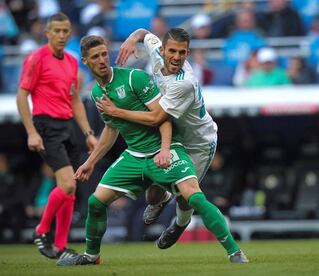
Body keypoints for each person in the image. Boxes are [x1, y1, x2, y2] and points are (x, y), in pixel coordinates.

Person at [56, 35, 248, 265]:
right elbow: (111, 128)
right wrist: (91, 161)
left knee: (193, 197)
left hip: (171, 147)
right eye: (95, 56)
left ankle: (234, 252)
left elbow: (162, 118)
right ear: (85, 61)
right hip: (134, 155)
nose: (102, 60)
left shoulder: (135, 78)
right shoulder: (98, 94)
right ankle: (91, 256)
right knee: (96, 202)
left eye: (104, 54)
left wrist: (165, 149)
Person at [101, 27, 225, 252]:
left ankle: (179, 225)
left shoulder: (183, 82)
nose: (176, 57)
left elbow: (157, 117)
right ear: (163, 49)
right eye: (173, 51)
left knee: (187, 194)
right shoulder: (156, 51)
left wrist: (117, 112)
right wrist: (131, 40)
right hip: (176, 135)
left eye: (182, 52)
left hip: (199, 142)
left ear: (187, 53)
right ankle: (160, 201)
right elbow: (142, 32)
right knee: (152, 195)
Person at [16, 12, 98, 259]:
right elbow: (22, 96)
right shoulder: (36, 59)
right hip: (45, 125)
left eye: (66, 31)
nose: (62, 35)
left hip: (67, 126)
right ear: (47, 33)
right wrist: (31, 132)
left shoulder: (72, 62)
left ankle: (61, 247)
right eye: (57, 31)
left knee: (71, 189)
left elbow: (75, 101)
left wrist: (88, 133)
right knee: (67, 184)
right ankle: (41, 231)